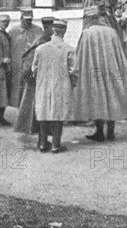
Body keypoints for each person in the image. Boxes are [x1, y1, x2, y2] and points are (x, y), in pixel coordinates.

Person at [74, 6, 127, 142]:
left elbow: (81, 54)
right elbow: (119, 53)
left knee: (97, 99)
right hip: (112, 70)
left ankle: (100, 132)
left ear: (91, 18)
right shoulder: (112, 32)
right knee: (113, 98)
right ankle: (111, 132)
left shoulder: (87, 33)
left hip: (94, 71)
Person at [32, 19, 78, 153]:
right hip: (61, 85)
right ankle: (55, 145)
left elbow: (34, 68)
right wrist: (72, 84)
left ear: (53, 30)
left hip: (43, 85)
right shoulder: (69, 49)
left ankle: (42, 144)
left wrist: (41, 79)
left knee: (43, 112)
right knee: (58, 113)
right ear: (64, 31)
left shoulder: (40, 49)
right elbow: (74, 71)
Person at [14, 16, 55, 143]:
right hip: (36, 83)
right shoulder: (42, 41)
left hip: (39, 82)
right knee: (37, 112)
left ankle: (42, 140)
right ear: (49, 27)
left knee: (39, 111)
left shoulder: (45, 38)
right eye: (53, 28)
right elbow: (29, 59)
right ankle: (41, 141)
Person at [8, 8, 43, 110]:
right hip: (17, 66)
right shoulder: (13, 31)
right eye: (26, 19)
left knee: (31, 89)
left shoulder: (38, 30)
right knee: (18, 89)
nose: (28, 21)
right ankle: (19, 112)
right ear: (21, 18)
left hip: (32, 66)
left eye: (30, 19)